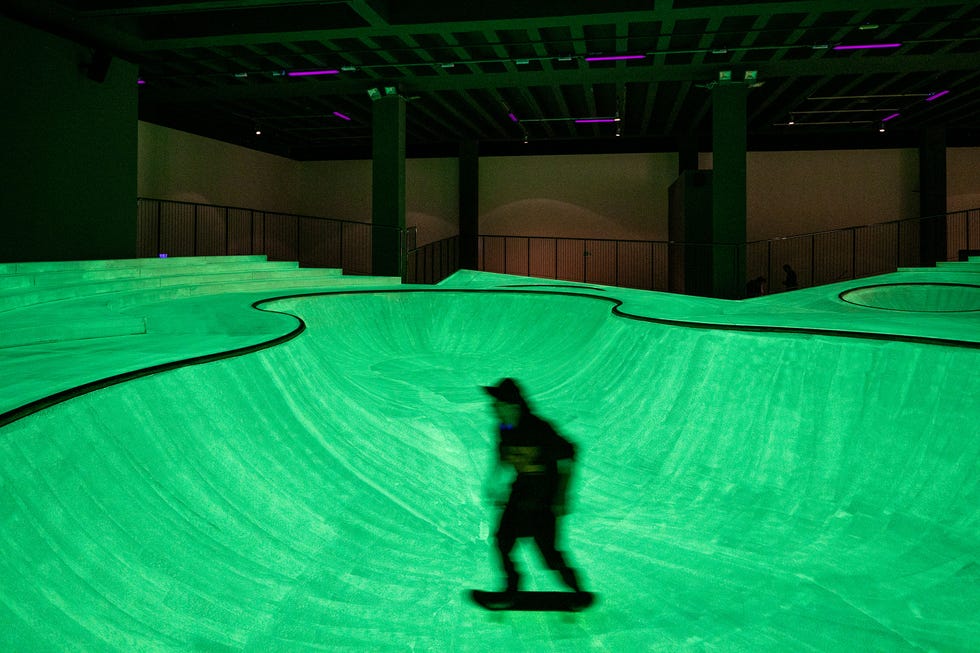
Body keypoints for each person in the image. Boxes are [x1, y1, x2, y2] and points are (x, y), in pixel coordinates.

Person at [480, 378, 587, 608]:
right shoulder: (505, 427)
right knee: (502, 540)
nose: (493, 407)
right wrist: (496, 480)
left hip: (543, 499)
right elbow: (503, 454)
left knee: (548, 554)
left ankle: (578, 590)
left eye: (498, 403)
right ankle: (512, 587)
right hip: (520, 493)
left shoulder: (539, 428)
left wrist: (562, 495)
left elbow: (569, 453)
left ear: (512, 406)